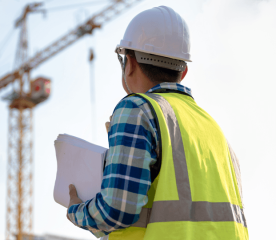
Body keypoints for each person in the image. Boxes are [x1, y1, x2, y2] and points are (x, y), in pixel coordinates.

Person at [66, 5, 248, 240]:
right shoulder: (214, 130)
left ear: (129, 63)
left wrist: (75, 210)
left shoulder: (136, 109)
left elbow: (115, 211)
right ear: (183, 72)